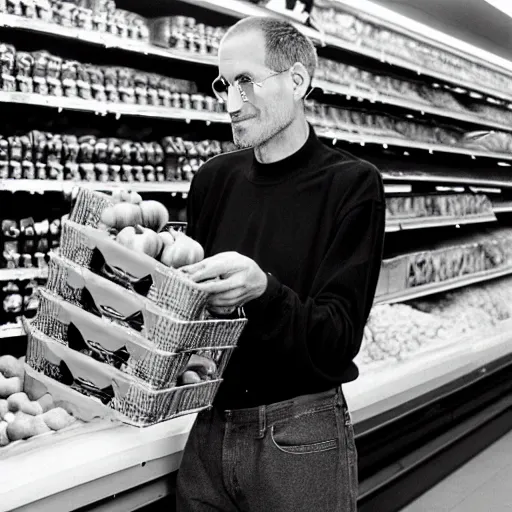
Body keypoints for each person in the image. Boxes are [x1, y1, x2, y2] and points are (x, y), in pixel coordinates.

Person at [176, 15, 385, 512]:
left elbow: (337, 339)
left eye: (246, 82)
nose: (230, 103)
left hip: (299, 436)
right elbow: (191, 311)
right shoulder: (213, 180)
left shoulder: (351, 185)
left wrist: (262, 292)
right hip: (207, 430)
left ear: (297, 81)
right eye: (224, 84)